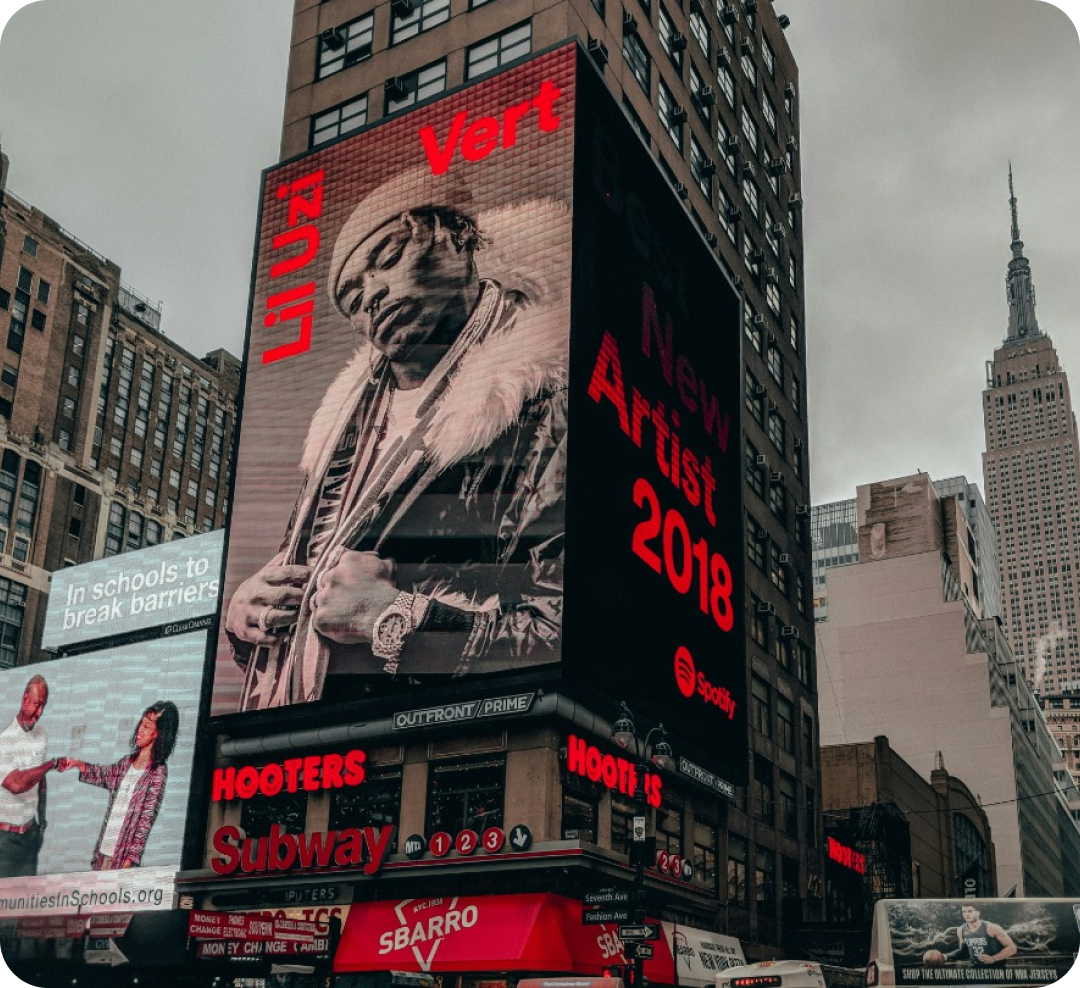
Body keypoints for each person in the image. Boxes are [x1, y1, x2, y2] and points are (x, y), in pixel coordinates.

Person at [225, 166, 569, 711]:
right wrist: (248, 615)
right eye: (353, 299)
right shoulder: (341, 435)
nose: (374, 296)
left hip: (452, 749)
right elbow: (321, 604)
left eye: (387, 259)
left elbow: (561, 634)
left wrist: (393, 618)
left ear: (459, 237)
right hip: (311, 749)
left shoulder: (546, 394)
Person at [56, 701, 179, 870]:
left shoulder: (157, 772)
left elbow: (146, 820)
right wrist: (77, 763)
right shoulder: (126, 763)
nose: (140, 731)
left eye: (147, 727)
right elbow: (103, 774)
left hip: (122, 860)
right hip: (104, 852)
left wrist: (129, 860)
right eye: (141, 724)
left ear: (158, 734)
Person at [0, 675, 56, 878]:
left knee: (24, 904)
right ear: (25, 700)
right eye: (37, 704)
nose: (40, 712)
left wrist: (42, 822)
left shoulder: (40, 736)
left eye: (44, 706)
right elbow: (16, 784)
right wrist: (50, 765)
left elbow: (40, 782)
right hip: (4, 840)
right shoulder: (5, 741)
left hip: (30, 834)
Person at [930, 904, 1018, 968]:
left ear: (978, 913)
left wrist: (993, 958)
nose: (967, 914)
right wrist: (946, 956)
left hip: (996, 969)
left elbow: (1012, 948)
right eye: (964, 912)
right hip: (976, 969)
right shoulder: (961, 930)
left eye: (970, 911)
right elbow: (963, 952)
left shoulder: (991, 928)